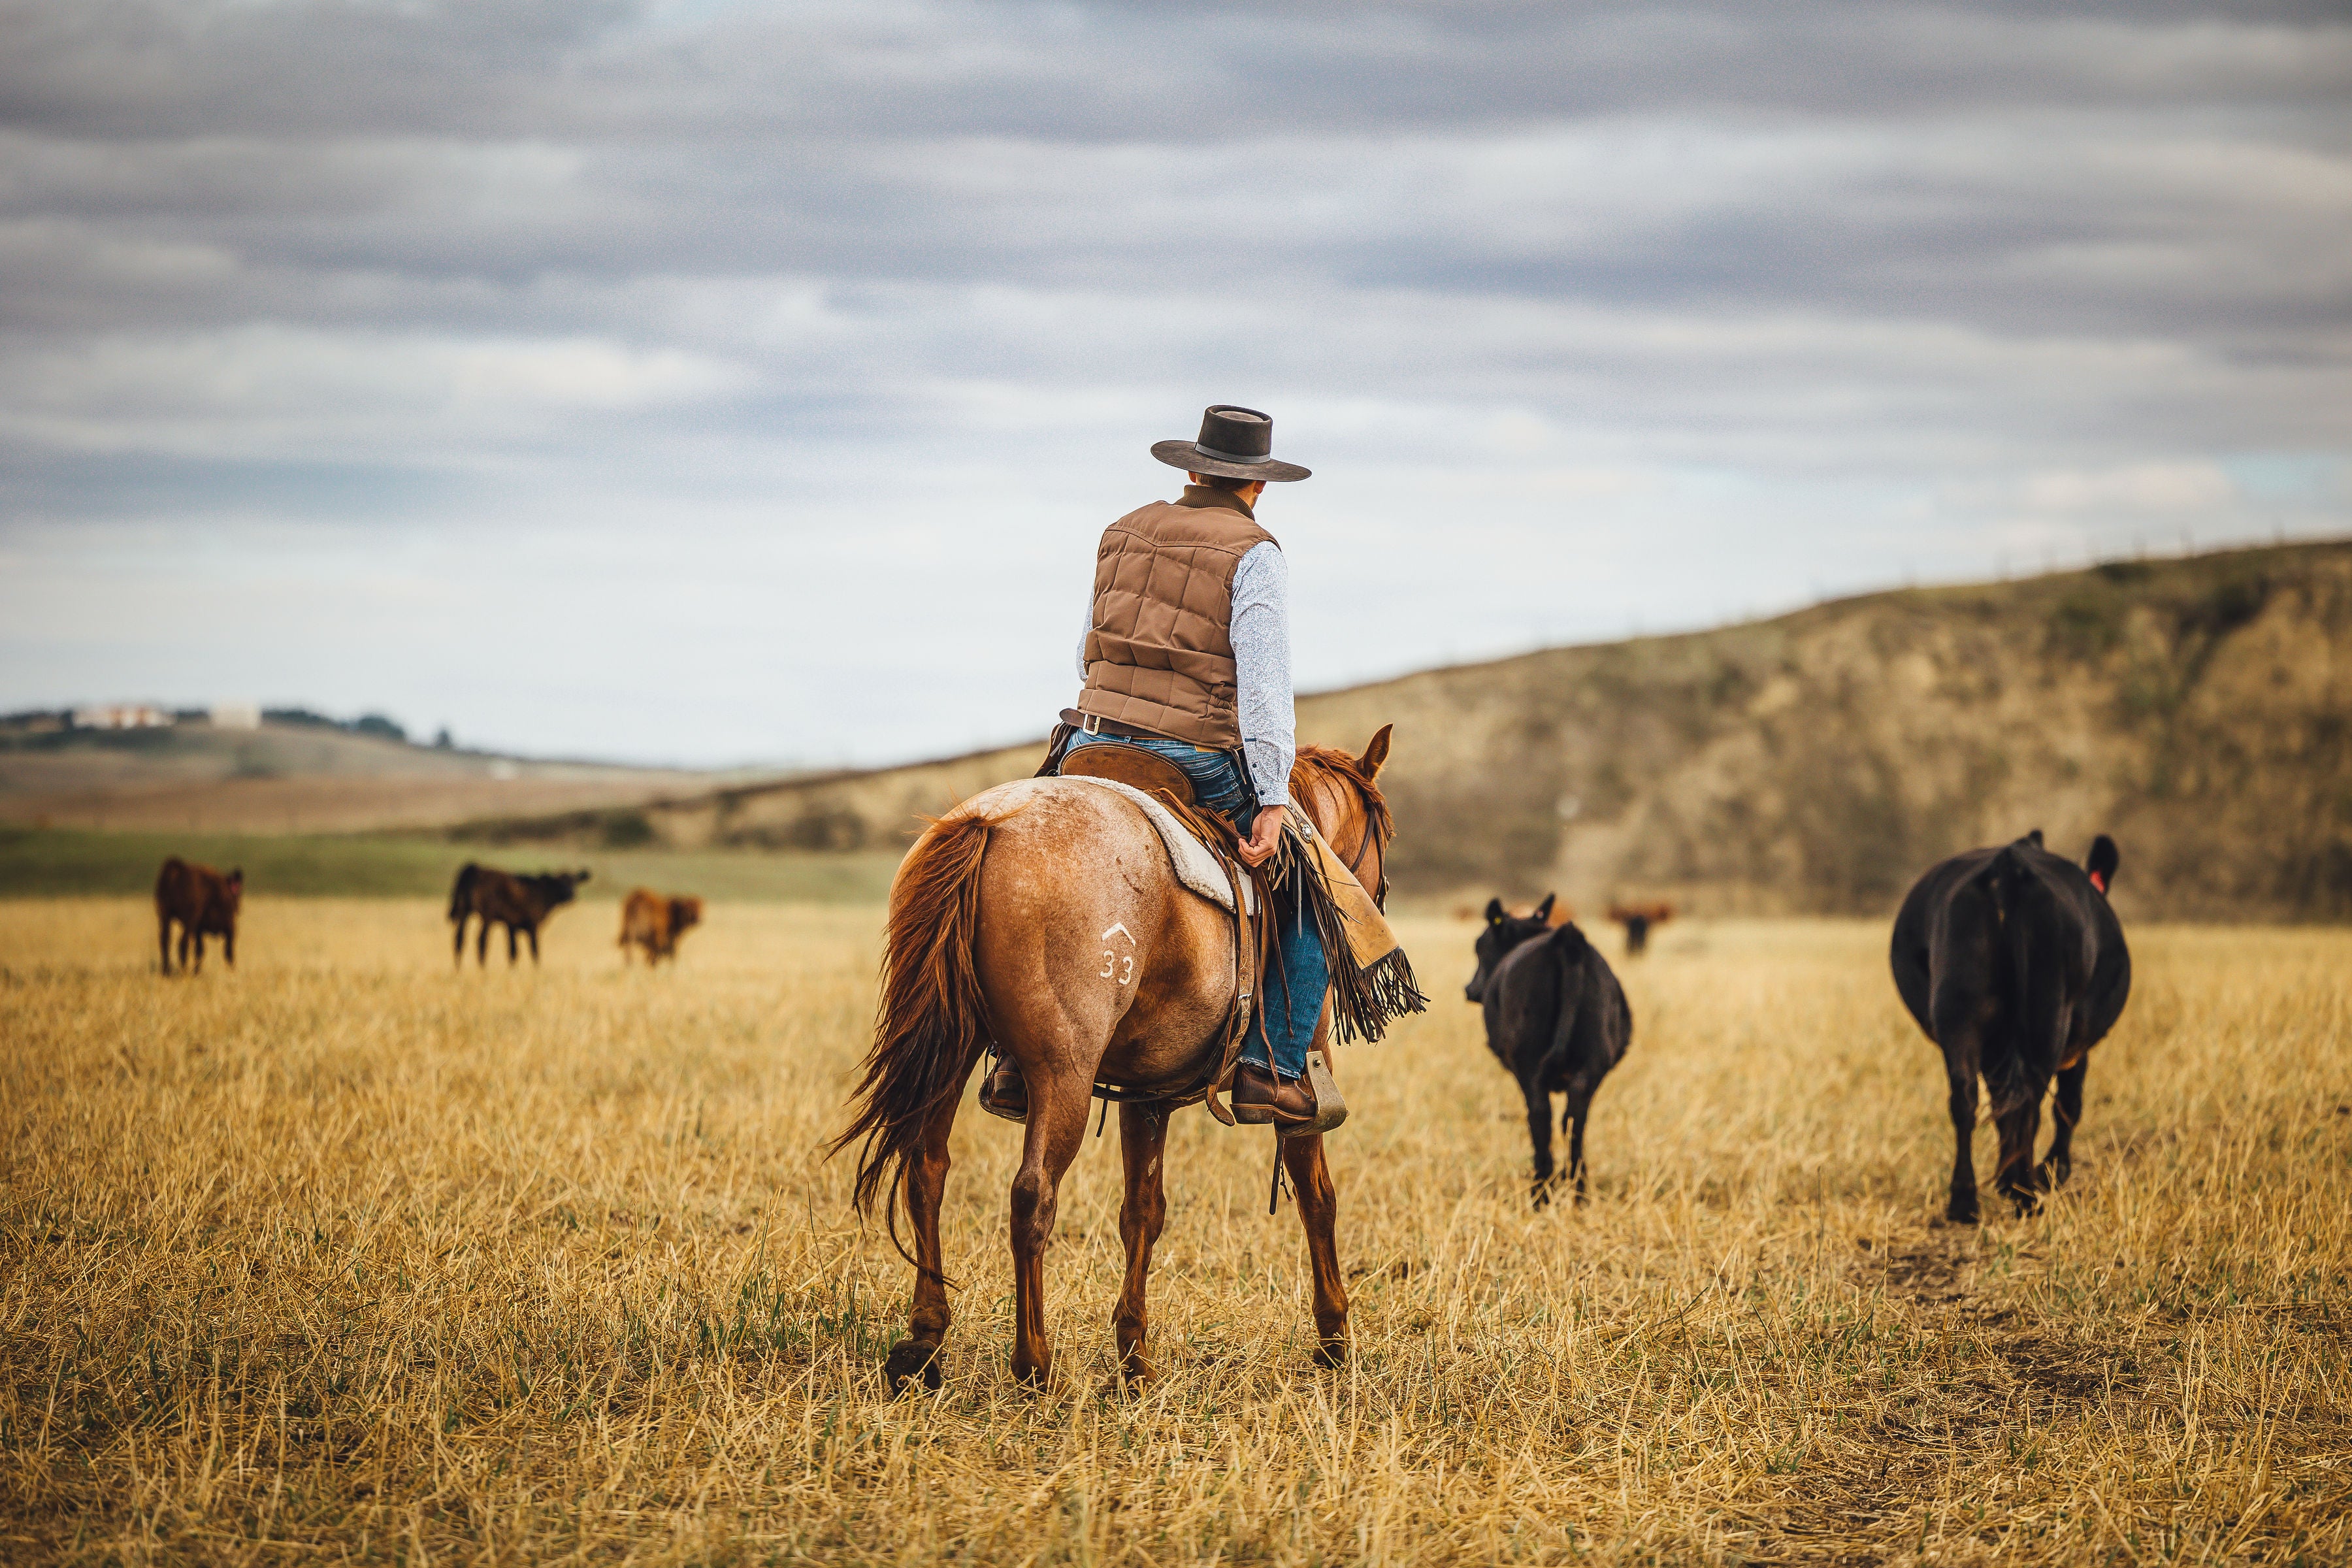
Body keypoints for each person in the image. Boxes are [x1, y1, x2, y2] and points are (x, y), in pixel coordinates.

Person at [980, 404, 1326, 1130]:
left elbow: (1087, 651)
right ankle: (1277, 1069)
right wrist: (1269, 797)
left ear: (1193, 469)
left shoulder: (1122, 532)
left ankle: (1015, 1059)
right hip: (1194, 755)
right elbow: (1263, 692)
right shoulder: (1256, 552)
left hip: (1092, 743)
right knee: (1310, 886)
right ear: (1256, 487)